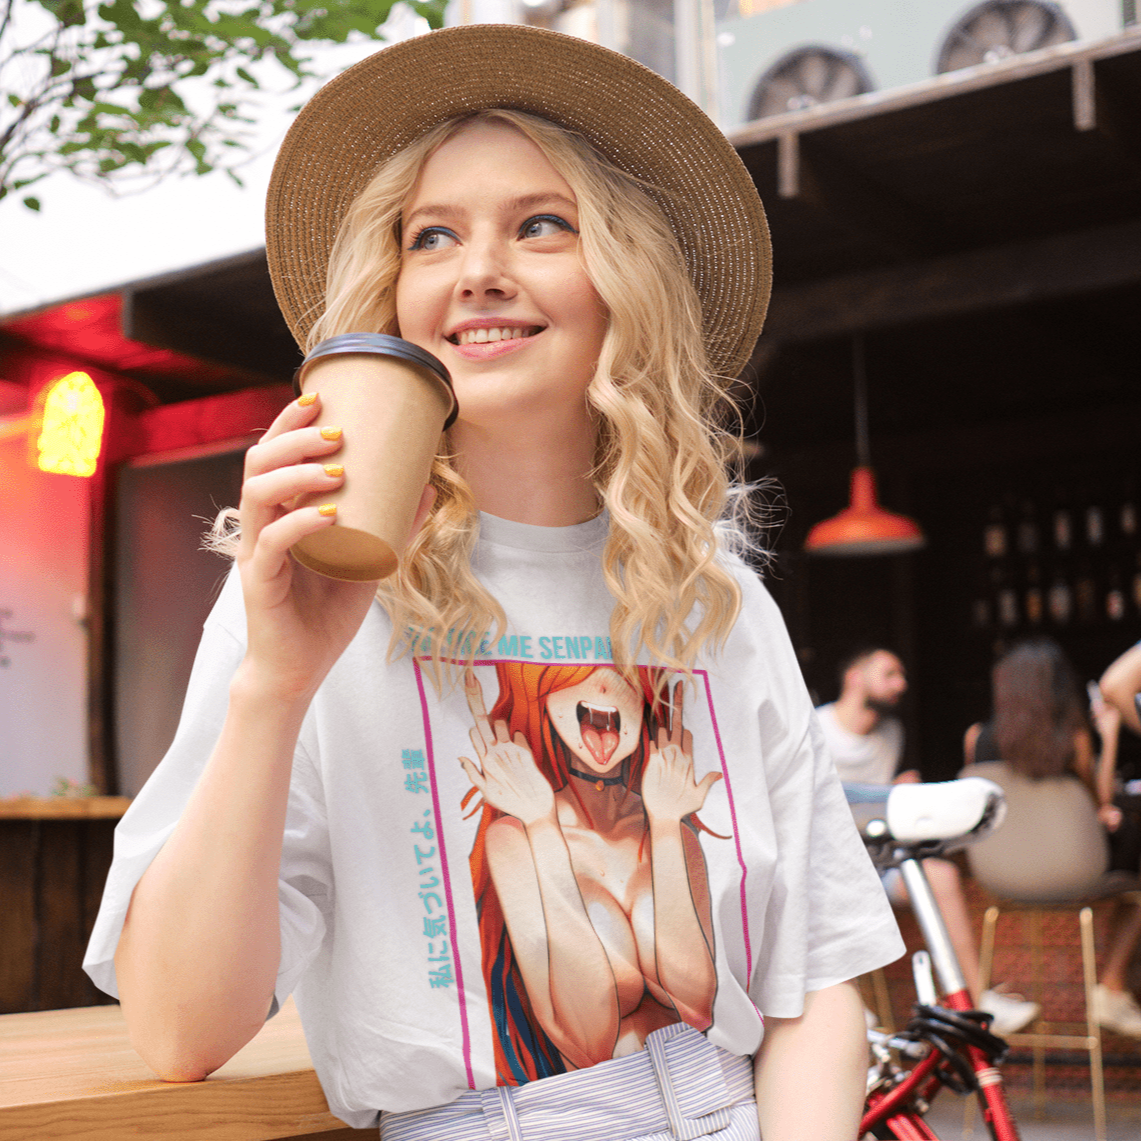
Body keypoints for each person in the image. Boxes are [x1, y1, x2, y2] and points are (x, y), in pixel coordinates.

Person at [82, 24, 903, 1141]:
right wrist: (275, 685)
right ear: (394, 294)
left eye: (541, 224)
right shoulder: (304, 593)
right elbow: (183, 1028)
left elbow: (813, 984)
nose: (477, 270)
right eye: (431, 236)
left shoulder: (717, 598)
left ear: (624, 279)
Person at [818, 646, 1040, 1036]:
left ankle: (975, 1001)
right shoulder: (814, 728)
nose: (901, 684)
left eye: (902, 675)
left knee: (941, 874)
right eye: (889, 674)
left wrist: (897, 791)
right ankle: (845, 1009)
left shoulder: (891, 733)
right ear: (855, 677)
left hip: (875, 861)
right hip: (826, 864)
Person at [962, 637, 1141, 1038]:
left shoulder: (976, 739)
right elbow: (1100, 804)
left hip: (1000, 880)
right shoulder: (1073, 739)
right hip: (1074, 875)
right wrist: (1110, 734)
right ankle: (1112, 987)